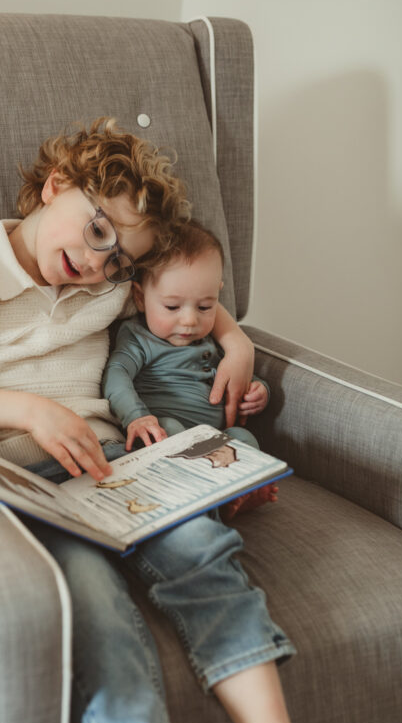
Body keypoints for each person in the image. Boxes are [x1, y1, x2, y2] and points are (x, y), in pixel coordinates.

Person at [0, 119, 352, 723]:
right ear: (54, 187)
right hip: (26, 485)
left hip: (115, 466)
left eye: (117, 258)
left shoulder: (109, 282)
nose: (95, 262)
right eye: (96, 228)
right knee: (90, 601)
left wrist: (236, 342)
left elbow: (181, 295)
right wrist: (26, 411)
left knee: (202, 552)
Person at [103, 219, 278, 516]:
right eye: (172, 307)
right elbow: (116, 375)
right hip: (162, 430)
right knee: (169, 429)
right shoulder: (138, 337)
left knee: (244, 438)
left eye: (205, 307)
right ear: (139, 298)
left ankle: (238, 493)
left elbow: (233, 375)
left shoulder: (212, 340)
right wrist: (137, 417)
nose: (189, 321)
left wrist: (259, 390)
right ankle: (210, 500)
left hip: (214, 439)